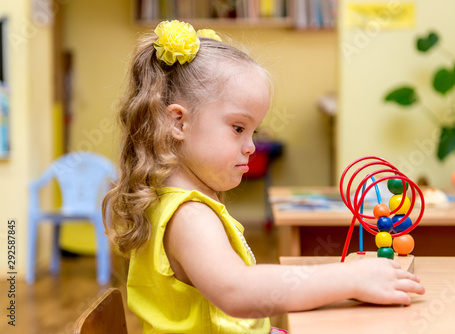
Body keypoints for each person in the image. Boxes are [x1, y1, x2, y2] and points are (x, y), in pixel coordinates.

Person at [103, 20, 425, 334]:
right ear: (178, 122)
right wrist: (350, 278)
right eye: (238, 128)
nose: (251, 146)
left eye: (253, 131)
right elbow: (237, 292)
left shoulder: (176, 203)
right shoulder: (189, 216)